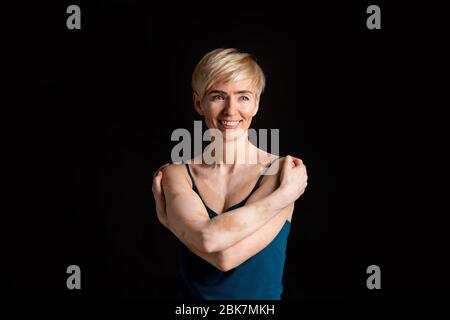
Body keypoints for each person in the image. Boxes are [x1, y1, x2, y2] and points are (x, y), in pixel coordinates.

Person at [151, 48, 308, 300]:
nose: (230, 111)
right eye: (218, 97)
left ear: (256, 104)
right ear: (198, 103)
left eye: (243, 97)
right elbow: (212, 242)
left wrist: (173, 224)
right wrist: (284, 196)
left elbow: (226, 257)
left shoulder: (280, 171)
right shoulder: (177, 173)